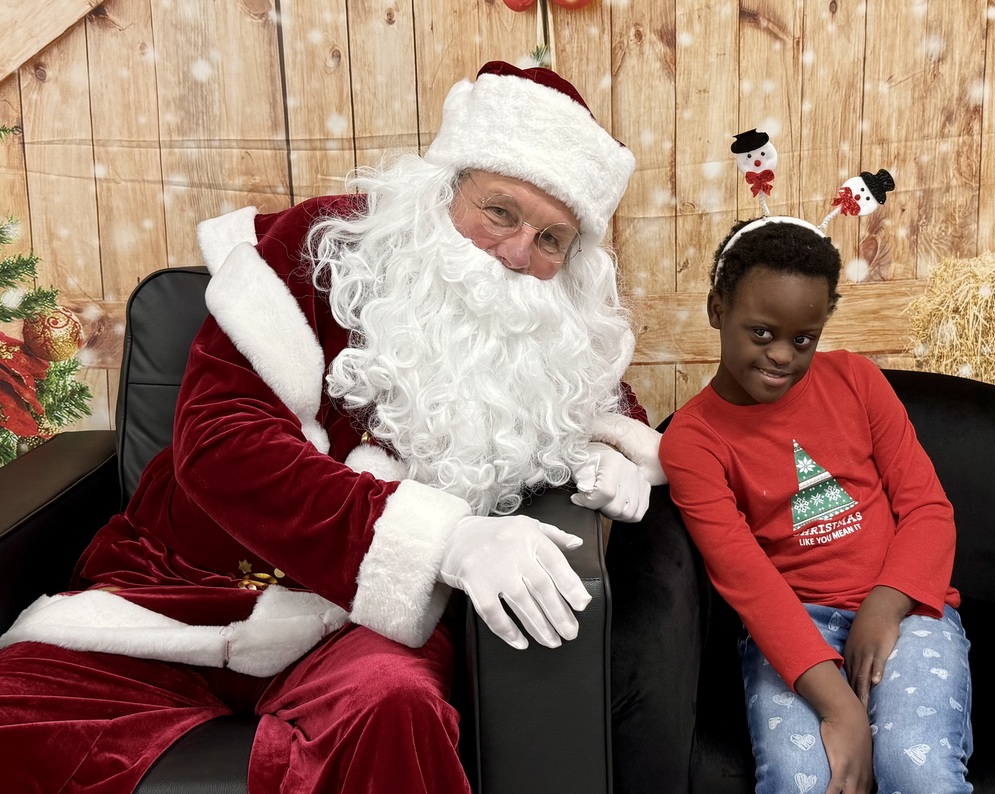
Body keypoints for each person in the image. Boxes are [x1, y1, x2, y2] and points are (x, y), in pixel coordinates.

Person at [0, 61, 666, 793]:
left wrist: (618, 448)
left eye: (551, 239)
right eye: (501, 213)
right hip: (180, 586)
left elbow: (592, 396)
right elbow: (222, 443)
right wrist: (440, 539)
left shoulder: (548, 324)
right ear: (443, 190)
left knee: (396, 704)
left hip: (355, 625)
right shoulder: (317, 250)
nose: (517, 255)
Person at [658, 216, 973, 793]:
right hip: (794, 629)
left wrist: (884, 605)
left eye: (803, 339)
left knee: (916, 767)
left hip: (908, 612)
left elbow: (929, 508)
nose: (782, 355)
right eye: (761, 332)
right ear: (716, 308)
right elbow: (747, 580)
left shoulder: (856, 379)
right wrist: (841, 709)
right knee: (806, 783)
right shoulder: (692, 440)